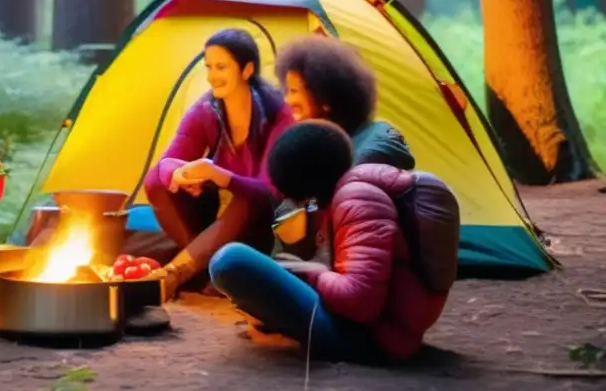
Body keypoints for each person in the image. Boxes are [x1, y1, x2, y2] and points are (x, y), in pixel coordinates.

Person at [208, 120, 454, 363]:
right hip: (387, 331)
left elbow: (360, 302)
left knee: (229, 261)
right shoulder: (356, 189)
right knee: (270, 272)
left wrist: (308, 274)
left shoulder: (357, 199)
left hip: (373, 341)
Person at [143, 28, 296, 300]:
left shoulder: (277, 114)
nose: (213, 75)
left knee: (245, 199)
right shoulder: (208, 109)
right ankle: (204, 270)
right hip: (216, 219)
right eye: (209, 67)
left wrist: (221, 176)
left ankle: (175, 273)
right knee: (156, 180)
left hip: (265, 223)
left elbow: (270, 192)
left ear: (247, 70)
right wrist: (181, 173)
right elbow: (167, 162)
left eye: (222, 67)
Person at [274, 35, 415, 169]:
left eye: (294, 91)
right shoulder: (332, 144)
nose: (288, 101)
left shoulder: (366, 160)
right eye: (287, 91)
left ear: (325, 96)